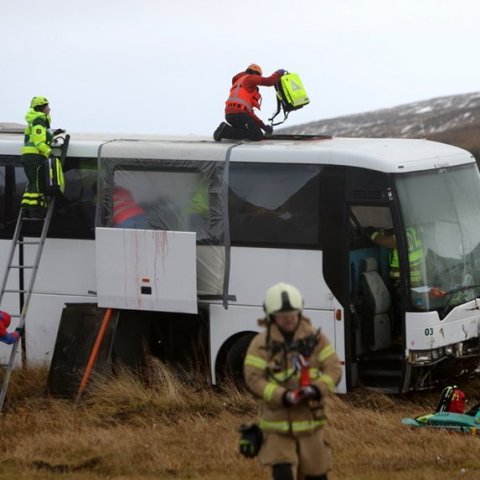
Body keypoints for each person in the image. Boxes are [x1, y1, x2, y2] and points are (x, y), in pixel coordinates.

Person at [243, 282, 342, 480]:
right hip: (277, 424)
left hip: (310, 422)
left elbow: (334, 369)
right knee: (282, 472)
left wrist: (316, 389)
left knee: (317, 475)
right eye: (282, 316)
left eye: (292, 314)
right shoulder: (261, 344)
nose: (288, 320)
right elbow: (253, 378)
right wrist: (282, 396)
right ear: (272, 316)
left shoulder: (316, 339)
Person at [213, 64, 286, 142]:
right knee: (257, 135)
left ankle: (226, 130)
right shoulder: (250, 78)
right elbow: (268, 81)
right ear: (255, 73)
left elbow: (250, 114)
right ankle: (224, 131)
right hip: (239, 115)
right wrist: (278, 73)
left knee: (246, 131)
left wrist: (263, 126)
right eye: (259, 76)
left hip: (230, 115)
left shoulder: (240, 84)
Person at [21, 96, 64, 218]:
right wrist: (49, 152)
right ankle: (34, 209)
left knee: (33, 184)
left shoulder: (37, 121)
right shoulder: (39, 121)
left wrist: (54, 133)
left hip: (31, 156)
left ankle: (29, 208)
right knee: (37, 185)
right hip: (35, 156)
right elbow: (39, 142)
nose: (49, 109)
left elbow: (41, 135)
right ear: (41, 108)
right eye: (47, 106)